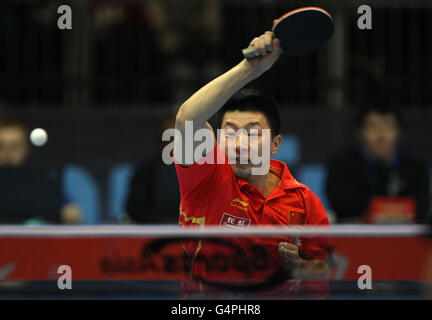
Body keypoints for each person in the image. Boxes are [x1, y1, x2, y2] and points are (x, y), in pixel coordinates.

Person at [173, 31, 329, 285]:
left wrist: (301, 266)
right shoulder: (206, 178)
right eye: (230, 133)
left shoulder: (305, 202)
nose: (240, 144)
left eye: (253, 134)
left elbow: (324, 268)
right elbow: (186, 119)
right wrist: (250, 69)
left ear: (276, 144)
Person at [326, 105, 430, 224]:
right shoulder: (341, 167)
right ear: (360, 131)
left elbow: (421, 209)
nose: (381, 135)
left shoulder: (416, 169)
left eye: (388, 126)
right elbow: (341, 205)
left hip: (405, 240)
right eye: (373, 126)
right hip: (357, 238)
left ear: (399, 132)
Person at [0, 116, 83, 224]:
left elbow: (74, 214)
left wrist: (67, 214)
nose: (8, 153)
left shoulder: (42, 182)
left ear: (26, 149)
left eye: (15, 146)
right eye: (1, 146)